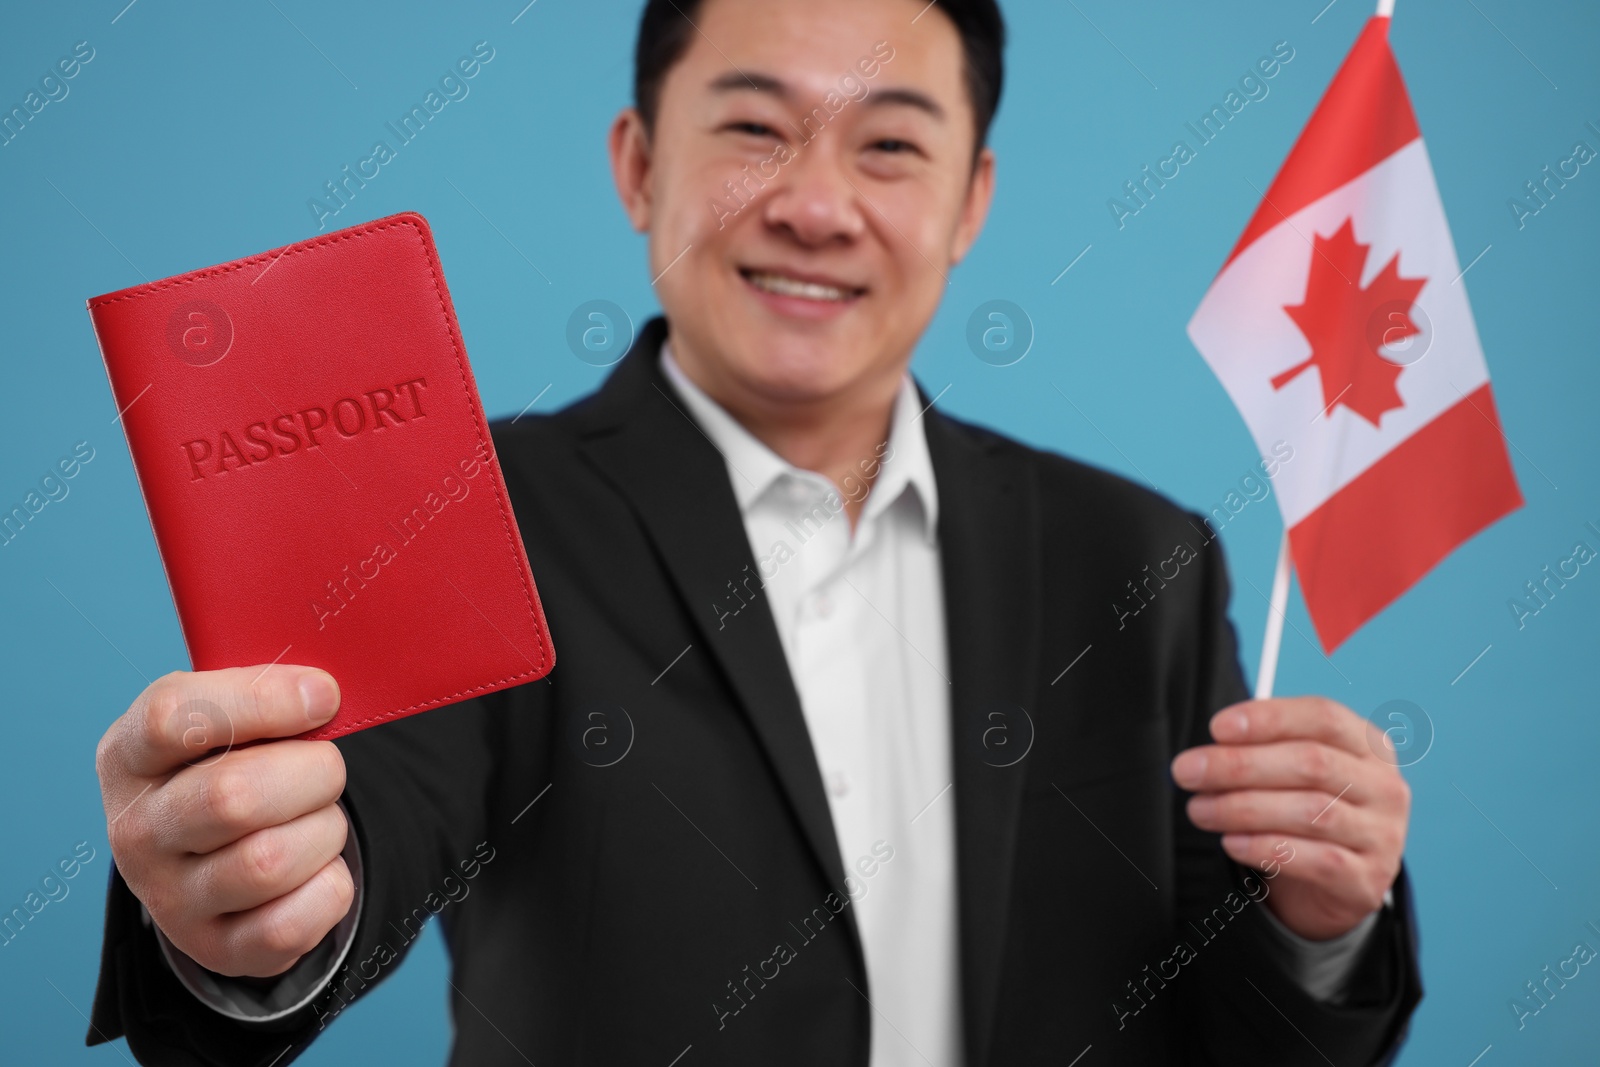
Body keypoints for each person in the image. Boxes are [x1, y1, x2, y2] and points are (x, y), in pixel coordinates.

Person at [88, 0, 1421, 1063]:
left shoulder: (1141, 558)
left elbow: (1249, 1043)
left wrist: (1318, 931)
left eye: (891, 144)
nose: (817, 205)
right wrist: (243, 905)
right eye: (752, 131)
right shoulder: (461, 506)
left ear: (970, 202)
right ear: (638, 164)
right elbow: (355, 841)